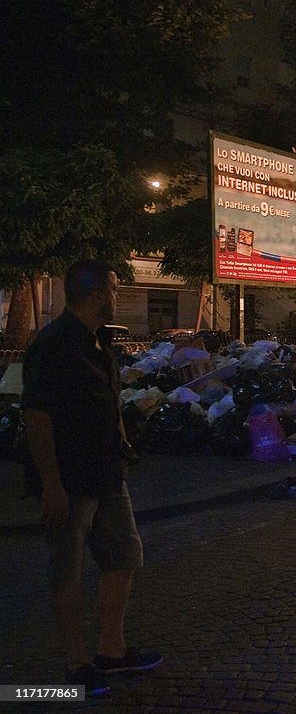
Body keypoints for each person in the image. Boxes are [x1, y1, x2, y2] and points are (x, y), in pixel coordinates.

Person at [22, 261, 162, 696]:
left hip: (107, 475)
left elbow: (109, 404)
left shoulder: (101, 343)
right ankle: (76, 662)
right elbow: (37, 416)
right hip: (70, 479)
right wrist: (51, 485)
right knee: (68, 572)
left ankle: (111, 650)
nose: (118, 295)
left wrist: (123, 448)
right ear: (99, 294)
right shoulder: (55, 344)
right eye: (115, 288)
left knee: (124, 557)